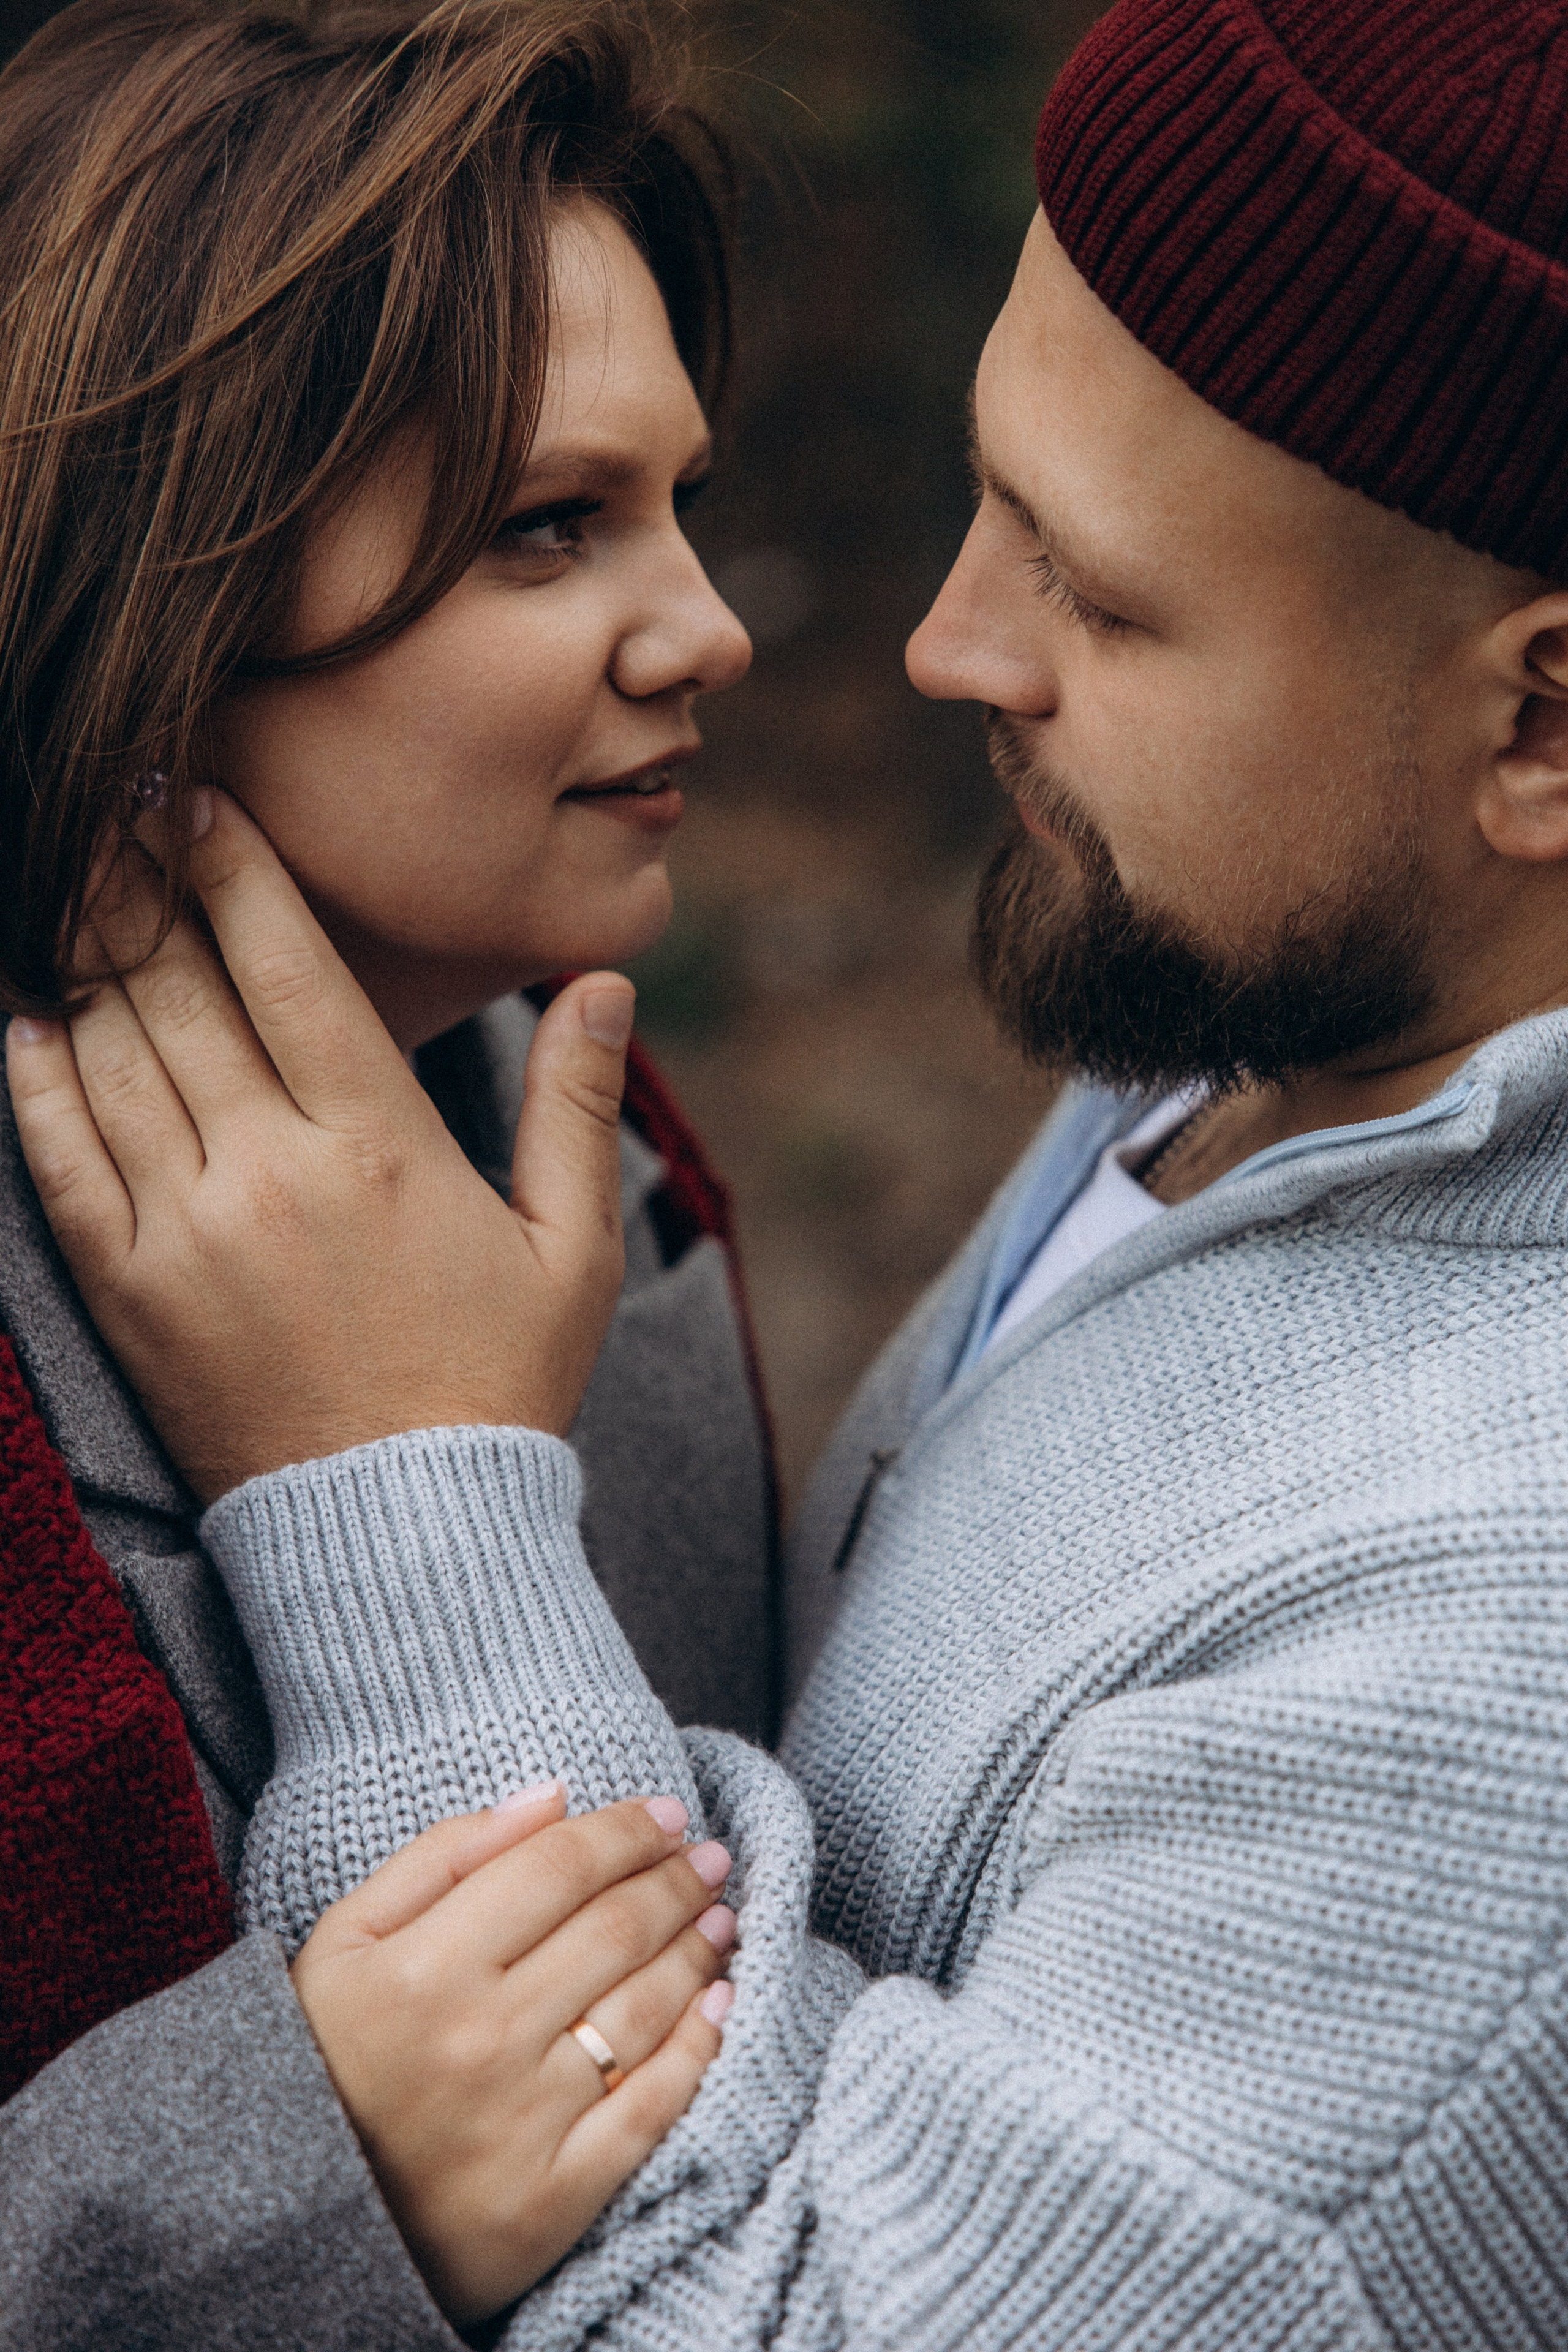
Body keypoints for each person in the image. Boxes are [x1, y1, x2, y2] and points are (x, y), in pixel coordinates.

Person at [17, 0, 1568, 2345]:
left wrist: (402, 1505)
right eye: (553, 523)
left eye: (1099, 593)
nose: (928, 643)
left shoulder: (1487, 1674)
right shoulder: (1273, 1002)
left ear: (1540, 727)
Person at [0, 0, 785, 2339]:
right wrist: (273, 2176)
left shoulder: (610, 1149)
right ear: (148, 590)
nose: (713, 628)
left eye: (682, 503)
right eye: (550, 527)